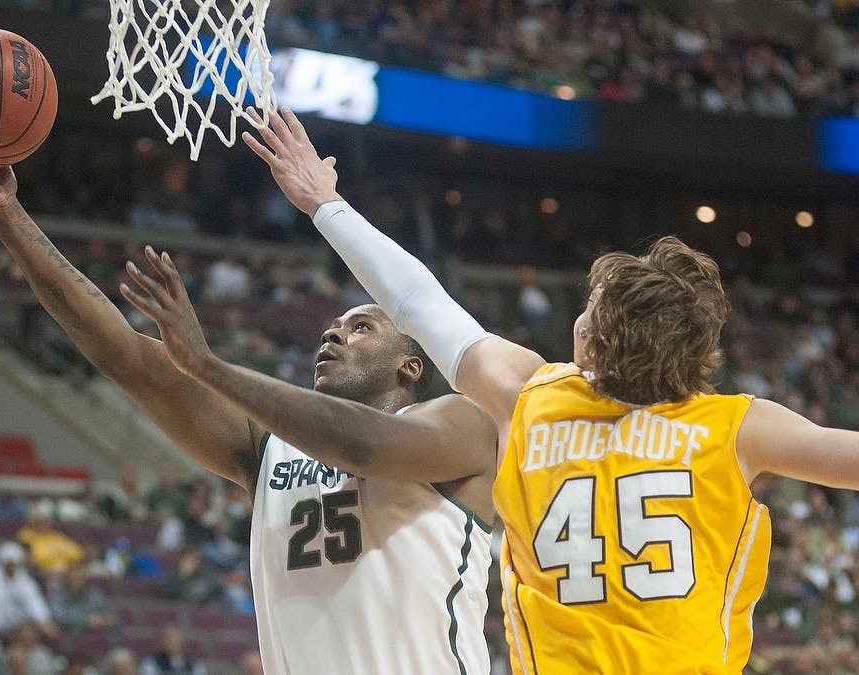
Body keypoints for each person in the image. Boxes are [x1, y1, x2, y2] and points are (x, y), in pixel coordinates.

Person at [243, 107, 859, 674]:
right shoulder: (737, 428)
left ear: (591, 341)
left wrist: (326, 206)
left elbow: (418, 300)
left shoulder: (526, 396)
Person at [0, 110, 498, 674]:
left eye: (361, 326)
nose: (333, 331)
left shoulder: (463, 425)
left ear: (410, 367)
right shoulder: (271, 449)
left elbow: (366, 448)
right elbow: (124, 357)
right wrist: (3, 211)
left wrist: (208, 367)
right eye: (336, 324)